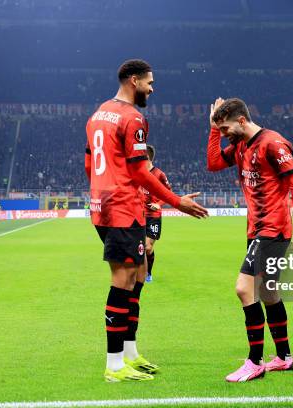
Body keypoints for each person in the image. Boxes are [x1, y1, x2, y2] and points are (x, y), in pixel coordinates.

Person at [84, 59, 208, 382]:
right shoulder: (133, 118)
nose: (152, 88)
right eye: (149, 83)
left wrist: (104, 189)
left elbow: (88, 164)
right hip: (123, 208)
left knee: (138, 275)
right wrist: (176, 200)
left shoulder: (98, 114)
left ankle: (129, 353)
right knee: (122, 280)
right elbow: (141, 170)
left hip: (106, 207)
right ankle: (114, 366)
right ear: (134, 80)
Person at [207, 97, 293, 382]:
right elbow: (214, 163)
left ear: (241, 120)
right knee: (268, 292)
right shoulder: (240, 145)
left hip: (273, 229)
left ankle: (255, 362)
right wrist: (214, 129)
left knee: (244, 289)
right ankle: (284, 357)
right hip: (256, 229)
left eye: (226, 129)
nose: (224, 135)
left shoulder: (273, 144)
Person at [142, 145, 171, 283]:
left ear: (146, 157)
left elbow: (168, 193)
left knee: (148, 247)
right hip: (139, 215)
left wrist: (158, 204)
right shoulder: (138, 173)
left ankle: (148, 273)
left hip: (153, 217)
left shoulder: (159, 174)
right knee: (139, 247)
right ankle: (140, 273)